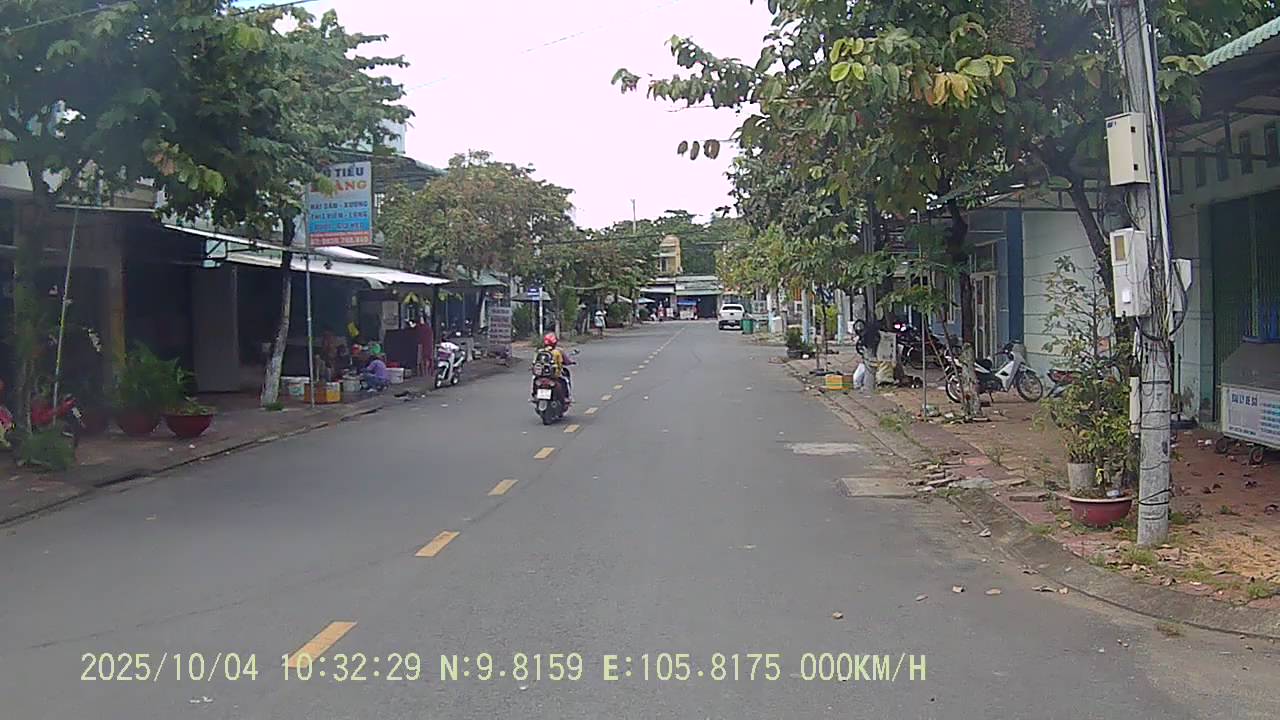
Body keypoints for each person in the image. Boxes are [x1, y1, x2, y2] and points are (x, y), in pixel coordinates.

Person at [542, 332, 573, 401]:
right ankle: (566, 397)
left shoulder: (540, 351)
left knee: (535, 379)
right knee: (565, 381)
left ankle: (533, 394)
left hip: (542, 374)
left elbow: (535, 362)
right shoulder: (557, 351)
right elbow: (560, 362)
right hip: (555, 374)